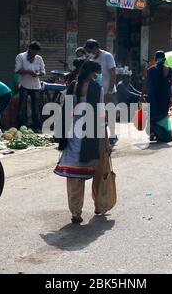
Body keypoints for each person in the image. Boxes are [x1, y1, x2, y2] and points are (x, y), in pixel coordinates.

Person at [54, 61, 108, 224]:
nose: (97, 76)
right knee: (99, 174)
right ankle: (100, 205)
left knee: (74, 177)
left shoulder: (73, 86)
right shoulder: (97, 89)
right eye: (96, 73)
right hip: (91, 134)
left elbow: (66, 111)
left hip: (74, 134)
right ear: (91, 73)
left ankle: (76, 212)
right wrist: (106, 141)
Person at [15, 41, 46, 132]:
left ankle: (36, 127)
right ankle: (21, 127)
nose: (35, 54)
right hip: (24, 85)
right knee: (22, 107)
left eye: (37, 52)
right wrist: (28, 72)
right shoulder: (21, 56)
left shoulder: (39, 58)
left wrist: (38, 74)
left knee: (35, 107)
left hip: (36, 86)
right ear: (30, 49)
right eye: (34, 51)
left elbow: (43, 71)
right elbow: (17, 70)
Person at [147, 51, 172, 143]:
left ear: (155, 59)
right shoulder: (169, 70)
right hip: (164, 95)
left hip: (153, 95)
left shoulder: (150, 70)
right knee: (164, 114)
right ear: (164, 59)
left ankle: (153, 133)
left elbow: (146, 83)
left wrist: (142, 94)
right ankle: (165, 135)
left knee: (153, 114)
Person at [84, 39, 116, 103]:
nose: (89, 53)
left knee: (109, 111)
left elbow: (113, 75)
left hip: (107, 92)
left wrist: (109, 92)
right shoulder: (89, 58)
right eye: (87, 51)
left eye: (89, 51)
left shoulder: (107, 56)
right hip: (94, 91)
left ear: (95, 48)